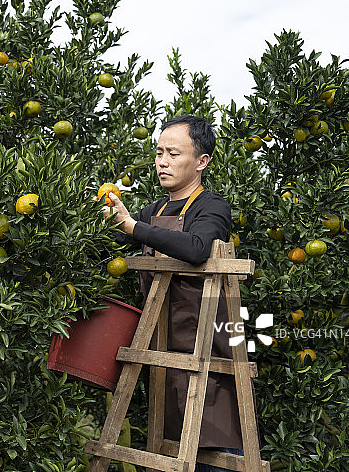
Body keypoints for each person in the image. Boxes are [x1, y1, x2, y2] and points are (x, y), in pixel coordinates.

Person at [101, 114, 244, 472]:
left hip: (210, 352)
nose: (162, 161)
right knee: (167, 450)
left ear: (201, 162)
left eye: (174, 154)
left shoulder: (212, 207)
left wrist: (134, 227)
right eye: (159, 152)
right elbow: (106, 243)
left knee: (213, 453)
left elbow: (197, 248)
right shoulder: (155, 210)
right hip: (163, 351)